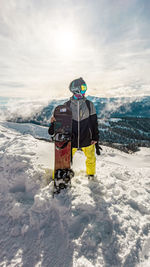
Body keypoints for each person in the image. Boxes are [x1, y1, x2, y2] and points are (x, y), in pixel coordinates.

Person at [48, 77, 99, 178]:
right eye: (83, 88)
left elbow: (94, 122)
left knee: (91, 158)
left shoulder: (89, 105)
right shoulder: (66, 106)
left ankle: (91, 175)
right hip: (72, 139)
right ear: (76, 90)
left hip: (87, 138)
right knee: (66, 159)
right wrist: (54, 123)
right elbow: (59, 127)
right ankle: (63, 175)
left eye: (85, 87)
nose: (85, 90)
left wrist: (95, 137)